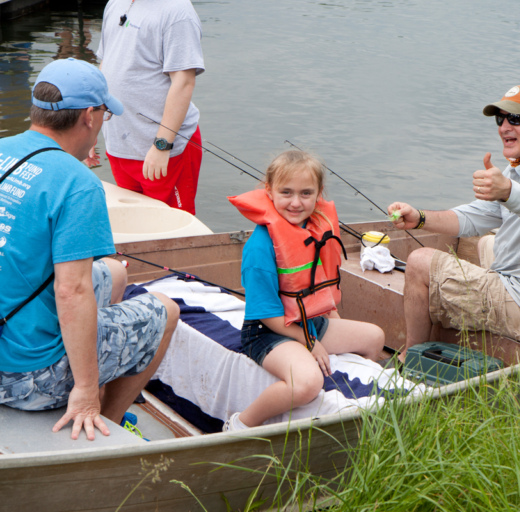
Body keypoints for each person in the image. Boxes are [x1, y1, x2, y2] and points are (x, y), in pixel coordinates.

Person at [0, 58, 179, 441]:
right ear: (88, 116)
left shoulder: (5, 150)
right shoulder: (78, 184)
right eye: (104, 114)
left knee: (115, 272)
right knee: (165, 310)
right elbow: (71, 290)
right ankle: (103, 418)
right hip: (25, 379)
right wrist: (83, 390)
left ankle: (93, 380)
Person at [388, 84, 520, 361]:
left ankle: (410, 359)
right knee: (486, 241)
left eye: (516, 118)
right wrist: (421, 218)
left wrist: (509, 192)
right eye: (500, 119)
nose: (504, 127)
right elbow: (472, 217)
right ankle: (459, 301)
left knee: (418, 263)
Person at [226, 150, 385, 430]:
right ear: (269, 191)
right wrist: (311, 342)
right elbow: (267, 316)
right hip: (268, 333)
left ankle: (350, 398)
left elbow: (319, 286)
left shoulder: (316, 233)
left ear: (319, 194)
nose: (296, 203)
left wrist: (331, 324)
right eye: (286, 192)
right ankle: (241, 424)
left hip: (310, 321)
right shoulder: (260, 247)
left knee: (374, 337)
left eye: (306, 193)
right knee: (306, 384)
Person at [95, 0, 205, 214]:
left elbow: (183, 82)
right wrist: (92, 126)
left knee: (171, 227)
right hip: (120, 144)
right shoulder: (114, 4)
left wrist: (162, 145)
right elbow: (105, 68)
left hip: (165, 149)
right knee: (133, 224)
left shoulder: (177, 10)